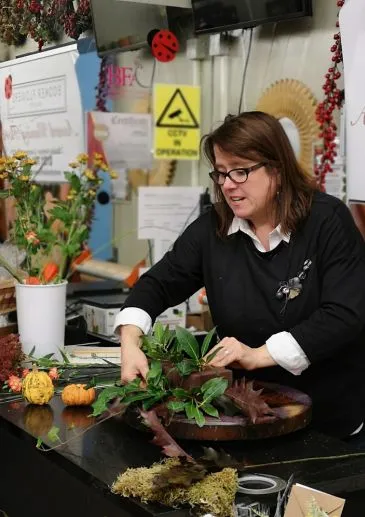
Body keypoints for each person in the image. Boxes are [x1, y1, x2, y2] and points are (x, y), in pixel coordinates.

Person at [114, 111, 365, 439]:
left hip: (328, 423)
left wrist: (258, 354)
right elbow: (158, 283)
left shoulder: (326, 222)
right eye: (220, 173)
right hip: (246, 420)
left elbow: (344, 314)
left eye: (241, 172)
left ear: (276, 168)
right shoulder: (212, 229)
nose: (228, 185)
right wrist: (130, 342)